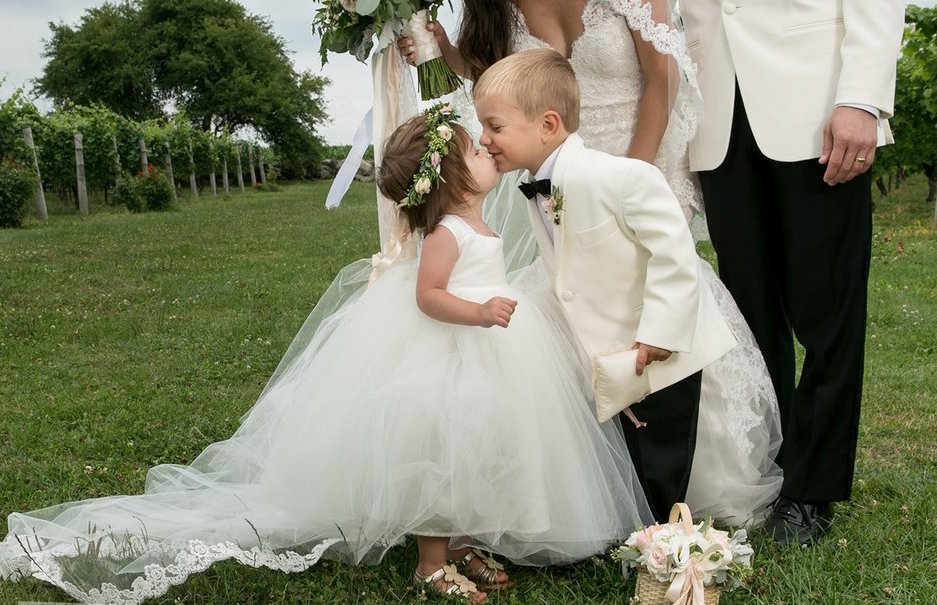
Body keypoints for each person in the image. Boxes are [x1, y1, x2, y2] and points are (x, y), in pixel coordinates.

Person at [0, 105, 653, 605]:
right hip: (455, 352)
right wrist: (479, 310)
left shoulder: (475, 219)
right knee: (442, 452)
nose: (489, 153)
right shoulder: (449, 232)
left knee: (483, 452)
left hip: (495, 351)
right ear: (450, 181)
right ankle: (431, 563)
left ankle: (462, 540)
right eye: (477, 153)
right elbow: (429, 297)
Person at [399, 0, 783, 525]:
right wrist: (442, 49)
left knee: (658, 344)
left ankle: (667, 502)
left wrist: (624, 181)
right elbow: (498, 84)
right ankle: (600, 488)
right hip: (549, 163)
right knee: (573, 316)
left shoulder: (623, 180)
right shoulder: (495, 15)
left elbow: (661, 81)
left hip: (626, 161)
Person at [680, 0, 905, 544]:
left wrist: (862, 99)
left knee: (828, 314)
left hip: (818, 109)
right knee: (749, 316)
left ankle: (812, 488)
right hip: (718, 115)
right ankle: (767, 469)